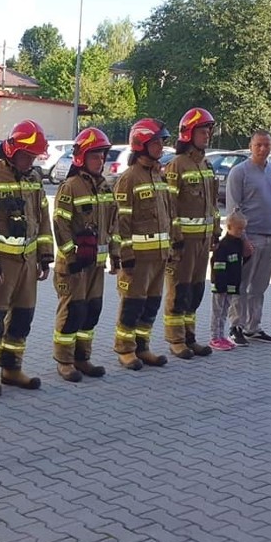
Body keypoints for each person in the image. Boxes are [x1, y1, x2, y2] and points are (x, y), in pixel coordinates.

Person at [0, 120, 54, 395]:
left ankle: (12, 368)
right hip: (1, 264)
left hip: (27, 264)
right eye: (25, 156)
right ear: (12, 150)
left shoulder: (34, 179)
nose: (29, 161)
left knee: (22, 318)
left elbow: (43, 220)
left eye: (33, 157)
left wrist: (45, 256)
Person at [50, 127, 116, 382]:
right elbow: (60, 224)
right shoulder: (70, 187)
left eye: (102, 156)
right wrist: (71, 256)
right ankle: (64, 361)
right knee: (72, 312)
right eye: (94, 156)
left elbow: (114, 223)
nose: (99, 161)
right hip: (75, 266)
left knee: (92, 311)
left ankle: (82, 357)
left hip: (96, 266)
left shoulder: (104, 187)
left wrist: (116, 254)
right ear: (81, 158)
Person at [113, 119, 175, 370]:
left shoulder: (158, 176)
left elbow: (166, 215)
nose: (161, 146)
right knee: (132, 303)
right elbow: (121, 222)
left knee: (151, 303)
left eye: (162, 142)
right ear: (141, 145)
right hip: (137, 257)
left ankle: (143, 346)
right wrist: (124, 255)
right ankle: (125, 349)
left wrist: (170, 248)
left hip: (158, 255)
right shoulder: (129, 179)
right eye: (156, 142)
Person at [163, 108, 221, 359]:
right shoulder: (177, 165)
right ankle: (175, 340)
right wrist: (174, 240)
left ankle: (190, 336)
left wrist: (216, 232)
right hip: (183, 243)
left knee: (195, 290)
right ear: (188, 134)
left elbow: (213, 205)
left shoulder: (206, 164)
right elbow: (169, 206)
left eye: (208, 130)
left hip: (203, 240)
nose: (207, 135)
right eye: (201, 130)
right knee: (179, 289)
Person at [226, 129, 271, 346]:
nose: (263, 149)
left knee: (259, 287)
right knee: (241, 285)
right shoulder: (239, 173)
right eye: (258, 145)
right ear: (250, 146)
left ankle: (254, 327)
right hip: (248, 238)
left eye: (267, 145)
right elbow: (234, 209)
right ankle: (236, 326)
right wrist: (242, 239)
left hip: (270, 239)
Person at [208, 210, 249, 351]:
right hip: (221, 285)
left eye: (243, 229)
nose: (241, 232)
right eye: (239, 229)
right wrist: (220, 284)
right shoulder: (223, 246)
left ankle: (221, 335)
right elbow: (218, 266)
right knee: (217, 312)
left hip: (232, 284)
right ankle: (214, 337)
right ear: (229, 227)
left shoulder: (238, 244)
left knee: (225, 312)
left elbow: (239, 263)